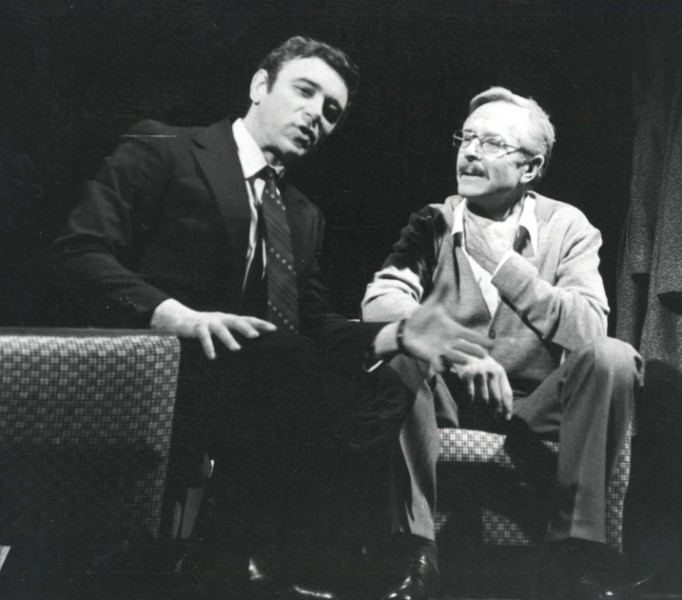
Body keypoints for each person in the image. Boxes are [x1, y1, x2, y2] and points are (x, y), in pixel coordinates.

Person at [52, 37, 495, 600]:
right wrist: (176, 316)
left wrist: (400, 334)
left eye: (331, 111)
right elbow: (79, 251)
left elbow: (312, 322)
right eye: (304, 91)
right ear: (260, 86)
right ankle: (258, 557)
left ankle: (254, 554)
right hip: (159, 363)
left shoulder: (303, 215)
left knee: (385, 383)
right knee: (294, 368)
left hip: (255, 372)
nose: (315, 116)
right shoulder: (165, 148)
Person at [362, 87, 644, 600]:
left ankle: (577, 554)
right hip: (445, 404)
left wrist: (503, 265)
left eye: (491, 143)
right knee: (399, 349)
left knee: (613, 357)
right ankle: (414, 554)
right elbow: (380, 303)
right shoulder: (432, 222)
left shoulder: (567, 226)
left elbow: (590, 329)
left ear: (530, 167)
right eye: (466, 138)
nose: (470, 152)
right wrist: (456, 351)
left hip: (534, 411)